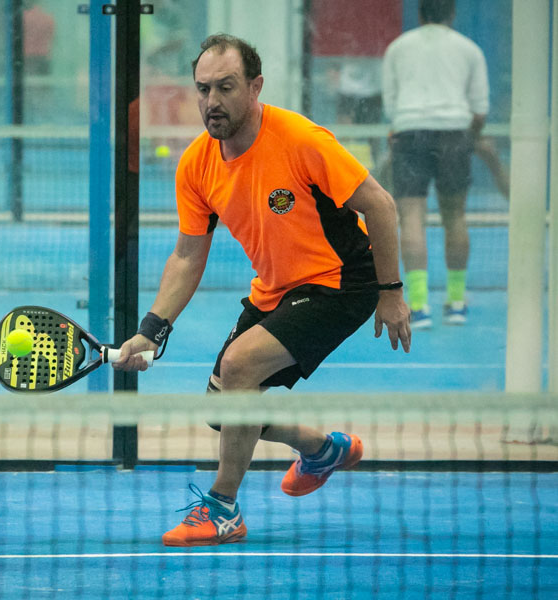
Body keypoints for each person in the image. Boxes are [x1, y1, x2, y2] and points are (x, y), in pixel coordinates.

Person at [112, 34, 411, 547]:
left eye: (225, 87)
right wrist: (151, 330)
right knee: (223, 408)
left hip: (342, 280)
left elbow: (380, 204)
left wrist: (391, 292)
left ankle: (222, 509)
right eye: (203, 88)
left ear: (255, 87)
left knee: (238, 367)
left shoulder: (300, 139)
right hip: (275, 288)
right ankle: (322, 449)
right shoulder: (196, 164)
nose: (212, 101)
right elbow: (187, 256)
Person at [382, 0, 490, 328]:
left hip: (409, 134)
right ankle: (456, 303)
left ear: (420, 14)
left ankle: (419, 306)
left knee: (411, 218)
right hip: (455, 136)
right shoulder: (470, 50)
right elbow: (480, 111)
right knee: (455, 217)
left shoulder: (398, 48)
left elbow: (391, 105)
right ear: (452, 14)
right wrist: (468, 139)